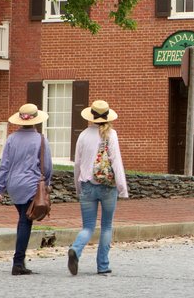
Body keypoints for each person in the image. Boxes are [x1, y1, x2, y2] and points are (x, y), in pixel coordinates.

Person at [68, 99, 128, 276]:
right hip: (108, 186)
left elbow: (77, 163)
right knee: (107, 226)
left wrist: (77, 186)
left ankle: (75, 249)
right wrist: (122, 188)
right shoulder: (111, 134)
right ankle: (102, 265)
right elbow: (116, 162)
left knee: (87, 227)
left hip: (87, 185)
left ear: (91, 116)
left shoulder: (83, 135)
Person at [0, 103, 52, 276]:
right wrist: (46, 184)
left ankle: (20, 261)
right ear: (35, 120)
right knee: (25, 221)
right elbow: (47, 166)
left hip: (13, 185)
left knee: (22, 219)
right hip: (31, 185)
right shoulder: (41, 139)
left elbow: (4, 164)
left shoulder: (11, 139)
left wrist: (0, 187)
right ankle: (18, 262)